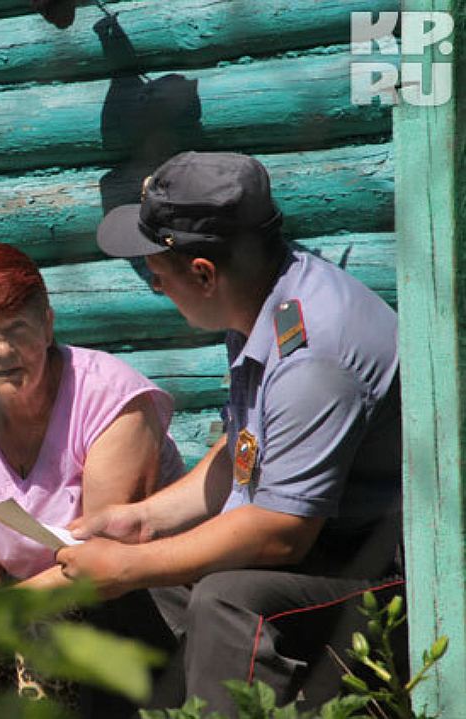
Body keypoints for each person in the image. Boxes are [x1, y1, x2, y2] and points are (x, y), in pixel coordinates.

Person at [57, 152, 404, 712]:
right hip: (315, 560)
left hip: (382, 583)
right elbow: (243, 450)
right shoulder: (259, 304)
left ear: (203, 274)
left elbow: (281, 532)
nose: (156, 290)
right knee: (127, 593)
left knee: (228, 601)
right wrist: (143, 520)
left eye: (157, 278)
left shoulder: (313, 355)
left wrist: (131, 564)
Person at [0, 241, 185, 646]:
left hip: (137, 604)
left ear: (48, 325)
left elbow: (106, 560)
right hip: (24, 605)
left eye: (17, 328)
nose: (3, 351)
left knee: (45, 634)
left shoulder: (110, 398)